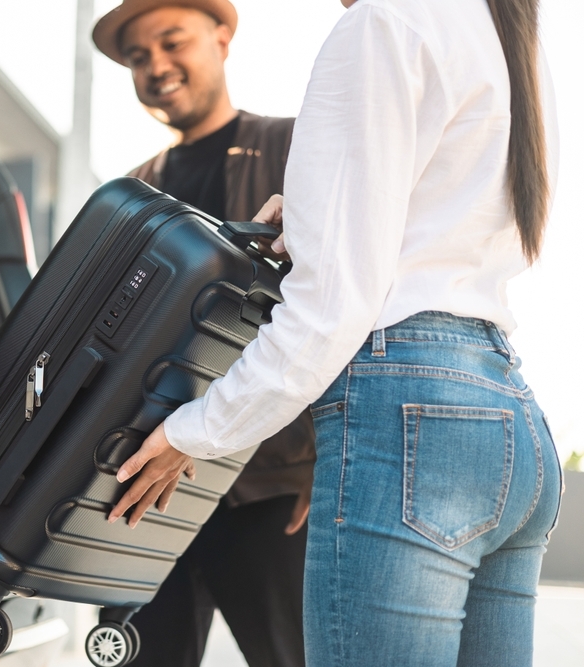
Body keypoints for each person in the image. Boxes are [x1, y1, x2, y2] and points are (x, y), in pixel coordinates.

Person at [109, 0, 562, 665]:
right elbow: (451, 209)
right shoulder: (502, 30)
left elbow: (330, 308)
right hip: (504, 408)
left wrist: (193, 431)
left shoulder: (381, 23)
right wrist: (318, 221)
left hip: (405, 418)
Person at [92, 2, 313, 665]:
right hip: (144, 496)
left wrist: (331, 459)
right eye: (138, 56)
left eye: (171, 41)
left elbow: (345, 303)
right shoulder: (133, 191)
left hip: (270, 486)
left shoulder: (291, 146)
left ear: (222, 38)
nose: (156, 65)